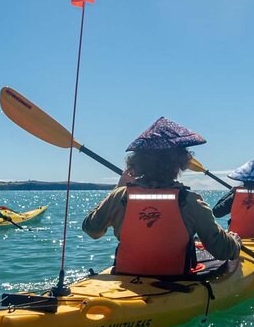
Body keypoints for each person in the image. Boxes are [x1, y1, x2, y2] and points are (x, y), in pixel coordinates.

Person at [82, 117, 241, 278]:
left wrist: (118, 187)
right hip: (174, 282)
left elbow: (91, 230)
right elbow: (222, 251)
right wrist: (235, 240)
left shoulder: (119, 196)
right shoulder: (191, 202)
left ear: (137, 162)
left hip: (126, 278)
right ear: (180, 163)